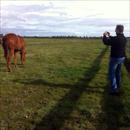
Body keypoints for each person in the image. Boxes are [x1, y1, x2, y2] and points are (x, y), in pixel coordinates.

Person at [102, 25, 127, 94]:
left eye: (116, 29)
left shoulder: (117, 39)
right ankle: (118, 86)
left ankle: (114, 90)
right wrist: (109, 35)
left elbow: (106, 42)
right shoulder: (124, 38)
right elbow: (114, 39)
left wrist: (104, 35)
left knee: (111, 74)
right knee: (118, 73)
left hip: (115, 59)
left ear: (118, 30)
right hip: (122, 58)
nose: (115, 30)